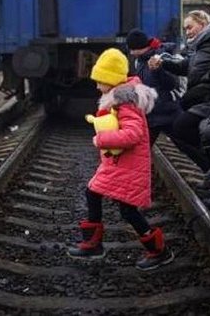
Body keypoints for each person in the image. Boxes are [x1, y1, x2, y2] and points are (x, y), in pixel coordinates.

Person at [67, 48, 174, 271]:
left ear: (112, 80)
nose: (97, 86)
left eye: (100, 81)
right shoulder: (120, 97)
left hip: (127, 165)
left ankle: (158, 250)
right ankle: (93, 244)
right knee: (93, 192)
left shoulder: (125, 102)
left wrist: (101, 139)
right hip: (119, 164)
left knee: (127, 210)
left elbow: (133, 134)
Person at [149, 10, 210, 179]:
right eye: (185, 29)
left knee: (182, 126)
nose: (187, 32)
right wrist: (163, 64)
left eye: (190, 27)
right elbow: (185, 67)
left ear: (202, 24)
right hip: (203, 99)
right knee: (190, 131)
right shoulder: (200, 46)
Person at [126, 28, 182, 145]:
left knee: (186, 145)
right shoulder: (141, 61)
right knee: (144, 147)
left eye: (132, 49)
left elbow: (172, 83)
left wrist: (158, 70)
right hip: (154, 112)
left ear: (139, 48)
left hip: (165, 111)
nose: (131, 53)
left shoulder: (161, 57)